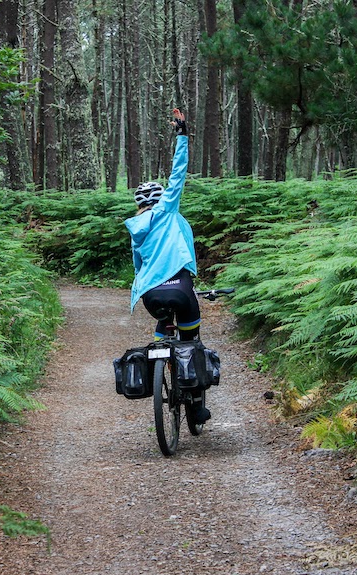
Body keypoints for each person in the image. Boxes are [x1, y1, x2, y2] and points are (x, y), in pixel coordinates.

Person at [124, 109, 210, 423]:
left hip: (151, 295)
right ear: (161, 200)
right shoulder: (167, 210)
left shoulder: (135, 227)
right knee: (192, 340)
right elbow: (178, 172)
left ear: (138, 206)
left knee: (163, 329)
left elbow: (138, 265)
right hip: (181, 288)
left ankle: (160, 361)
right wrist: (182, 134)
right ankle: (197, 405)